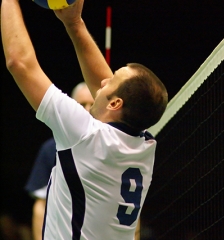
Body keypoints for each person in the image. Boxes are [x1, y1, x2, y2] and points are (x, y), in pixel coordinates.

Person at [1, 0, 168, 239]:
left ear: (115, 103)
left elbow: (19, 63)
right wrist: (74, 24)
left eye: (111, 81)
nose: (102, 81)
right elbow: (116, 93)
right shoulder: (144, 146)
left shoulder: (86, 135)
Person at [24, 82, 94, 240]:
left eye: (93, 104)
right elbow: (41, 205)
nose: (88, 109)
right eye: (82, 104)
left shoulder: (112, 146)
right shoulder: (50, 149)